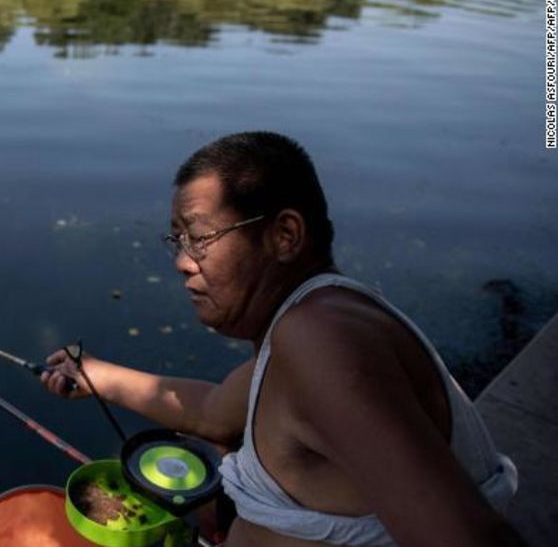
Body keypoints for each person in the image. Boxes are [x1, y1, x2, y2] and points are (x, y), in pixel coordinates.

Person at [40, 132, 519, 547]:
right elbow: (214, 413)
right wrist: (97, 375)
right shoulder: (312, 324)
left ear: (285, 234)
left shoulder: (322, 341)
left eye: (199, 238)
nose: (182, 263)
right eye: (177, 241)